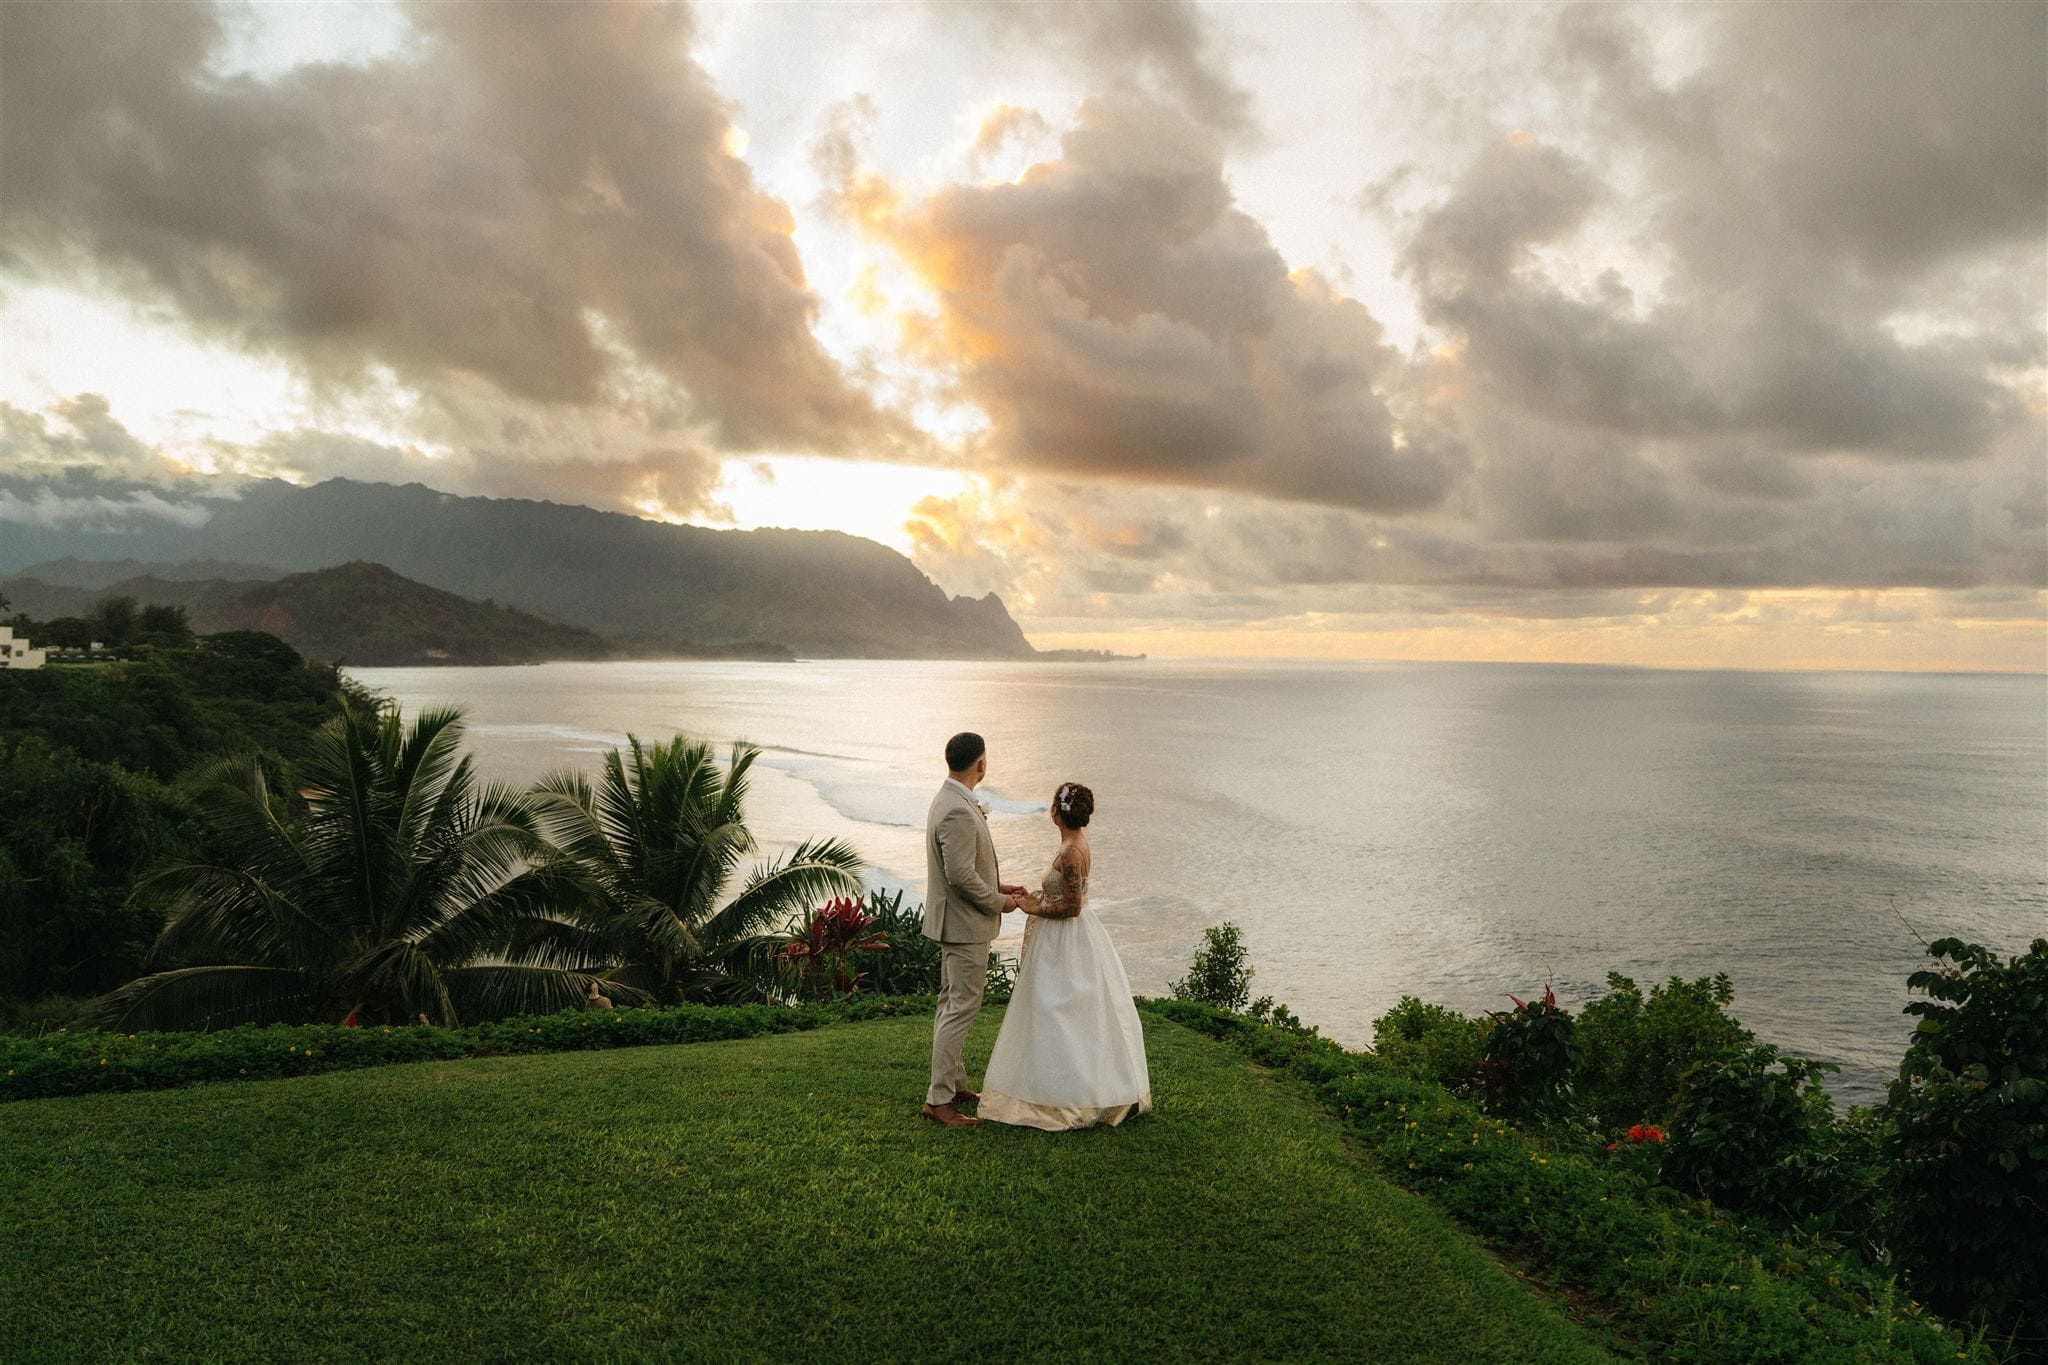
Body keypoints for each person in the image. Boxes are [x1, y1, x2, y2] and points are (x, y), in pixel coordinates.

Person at [978, 781, 1152, 1131]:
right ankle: (1057, 1087)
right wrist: (1036, 896)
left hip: (1065, 942)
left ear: (1058, 811)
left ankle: (1064, 1098)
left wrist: (1033, 906)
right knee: (1061, 1013)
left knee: (1057, 1013)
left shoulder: (1072, 852)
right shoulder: (1074, 845)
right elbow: (1066, 896)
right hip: (1069, 938)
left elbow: (1071, 907)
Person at [921, 731, 1028, 1127]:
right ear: (980, 764)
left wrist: (1000, 885)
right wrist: (1000, 902)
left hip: (955, 922)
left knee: (951, 1004)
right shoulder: (958, 810)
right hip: (964, 927)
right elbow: (961, 875)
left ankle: (954, 1083)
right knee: (960, 1008)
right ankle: (938, 1101)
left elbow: (964, 869)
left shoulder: (949, 799)